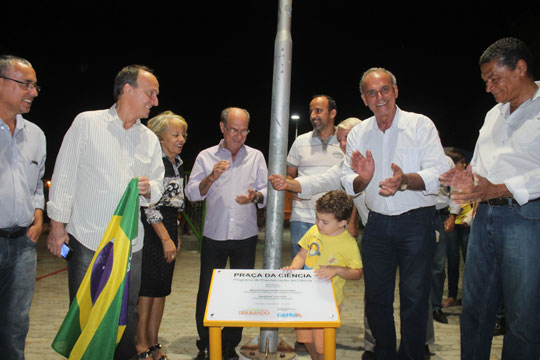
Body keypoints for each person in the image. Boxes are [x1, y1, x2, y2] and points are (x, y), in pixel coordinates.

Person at [46, 65, 165, 360]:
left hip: (129, 245)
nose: (155, 101)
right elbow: (64, 175)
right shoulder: (87, 123)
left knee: (127, 311)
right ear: (127, 89)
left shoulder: (148, 138)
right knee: (88, 310)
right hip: (87, 240)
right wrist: (57, 226)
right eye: (150, 93)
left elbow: (160, 185)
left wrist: (151, 189)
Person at [441, 37, 540, 359]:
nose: (488, 87)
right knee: (475, 310)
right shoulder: (493, 115)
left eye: (494, 79)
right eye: (485, 81)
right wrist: (463, 182)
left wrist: (500, 188)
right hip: (483, 220)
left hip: (526, 219)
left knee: (522, 317)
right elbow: (480, 171)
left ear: (520, 68)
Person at [341, 67, 449, 359]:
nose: (380, 97)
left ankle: (413, 354)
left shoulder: (420, 125)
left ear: (396, 91)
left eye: (385, 90)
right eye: (372, 93)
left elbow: (440, 171)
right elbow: (345, 177)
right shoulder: (359, 133)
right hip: (376, 226)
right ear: (364, 99)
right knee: (376, 299)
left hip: (416, 223)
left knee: (415, 299)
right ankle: (384, 352)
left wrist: (406, 180)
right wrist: (362, 179)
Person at [185, 107, 268, 360]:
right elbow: (191, 193)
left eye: (244, 131)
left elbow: (266, 191)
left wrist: (256, 196)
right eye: (234, 130)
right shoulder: (206, 156)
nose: (239, 136)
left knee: (240, 293)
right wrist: (211, 177)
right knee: (208, 292)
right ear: (222, 128)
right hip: (214, 235)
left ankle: (230, 344)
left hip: (245, 236)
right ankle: (207, 344)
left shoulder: (256, 157)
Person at [0, 55, 45, 360]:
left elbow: (37, 184)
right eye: (25, 84)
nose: (33, 92)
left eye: (34, 85)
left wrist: (39, 217)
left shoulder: (36, 136)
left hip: (24, 246)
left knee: (16, 325)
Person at [282, 190, 363, 360]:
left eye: (325, 222)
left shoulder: (348, 243)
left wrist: (338, 270)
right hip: (306, 296)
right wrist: (294, 268)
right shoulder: (313, 231)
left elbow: (357, 273)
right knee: (305, 338)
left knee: (323, 345)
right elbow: (301, 255)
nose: (319, 224)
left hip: (329, 302)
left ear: (342, 222)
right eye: (317, 218)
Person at [136, 111, 188, 360]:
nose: (181, 139)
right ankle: (141, 344)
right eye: (175, 134)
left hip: (168, 227)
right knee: (146, 291)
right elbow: (149, 205)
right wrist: (165, 238)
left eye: (183, 134)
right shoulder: (155, 162)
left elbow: (174, 203)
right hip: (152, 230)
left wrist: (174, 234)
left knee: (161, 290)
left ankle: (154, 343)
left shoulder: (176, 163)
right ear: (159, 137)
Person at [270, 117, 367, 233]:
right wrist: (288, 184)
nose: (343, 144)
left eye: (347, 137)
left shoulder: (383, 156)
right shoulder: (345, 167)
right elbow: (320, 181)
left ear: (362, 135)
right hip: (373, 228)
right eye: (339, 140)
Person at [286, 95, 343, 258]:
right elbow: (290, 175)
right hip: (302, 219)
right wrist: (292, 188)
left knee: (330, 273)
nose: (313, 116)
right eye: (311, 111)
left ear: (333, 113)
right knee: (301, 272)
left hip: (335, 220)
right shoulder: (300, 141)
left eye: (318, 111)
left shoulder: (345, 142)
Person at [431, 152, 461, 324]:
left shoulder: (446, 161)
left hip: (440, 216)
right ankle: (421, 305)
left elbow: (455, 189)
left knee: (438, 265)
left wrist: (452, 215)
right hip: (418, 215)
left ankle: (435, 307)